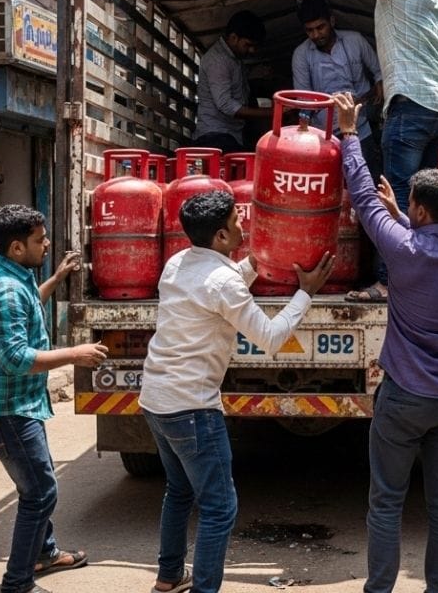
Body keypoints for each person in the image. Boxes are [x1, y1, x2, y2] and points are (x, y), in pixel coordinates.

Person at [140, 190, 333, 593]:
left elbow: (214, 292)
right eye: (235, 221)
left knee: (179, 490)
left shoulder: (177, 264)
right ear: (221, 237)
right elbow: (271, 338)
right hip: (192, 407)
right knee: (219, 508)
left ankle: (170, 576)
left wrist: (252, 264)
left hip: (156, 399)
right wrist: (306, 293)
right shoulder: (223, 281)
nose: (243, 223)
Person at [332, 92, 438, 593]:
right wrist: (405, 217)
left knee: (387, 501)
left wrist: (349, 133)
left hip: (402, 400)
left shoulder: (402, 249)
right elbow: (433, 245)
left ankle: (379, 589)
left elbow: (360, 192)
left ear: (418, 207)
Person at [298, 0, 438, 303]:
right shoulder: (435, 1)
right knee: (429, 202)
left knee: (397, 194)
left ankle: (388, 281)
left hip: (411, 105)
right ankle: (424, 277)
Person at [0, 204, 110, 593]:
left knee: (35, 484)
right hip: (6, 410)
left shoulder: (9, 273)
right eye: (39, 240)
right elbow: (14, 359)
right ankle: (18, 582)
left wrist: (58, 278)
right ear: (16, 247)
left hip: (19, 405)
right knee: (41, 491)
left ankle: (44, 553)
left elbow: (28, 303)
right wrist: (74, 354)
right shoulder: (5, 291)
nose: (47, 245)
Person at [291, 0, 384, 180]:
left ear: (332, 21)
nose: (316, 35)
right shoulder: (301, 55)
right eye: (310, 30)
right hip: (324, 136)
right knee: (332, 188)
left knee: (370, 184)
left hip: (361, 128)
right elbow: (304, 100)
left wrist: (378, 89)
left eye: (321, 27)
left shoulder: (355, 40)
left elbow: (379, 70)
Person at [193, 10, 273, 153]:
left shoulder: (235, 60)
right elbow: (226, 105)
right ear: (233, 37)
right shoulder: (218, 60)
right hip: (215, 137)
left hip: (231, 136)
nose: (252, 50)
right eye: (248, 45)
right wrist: (271, 113)